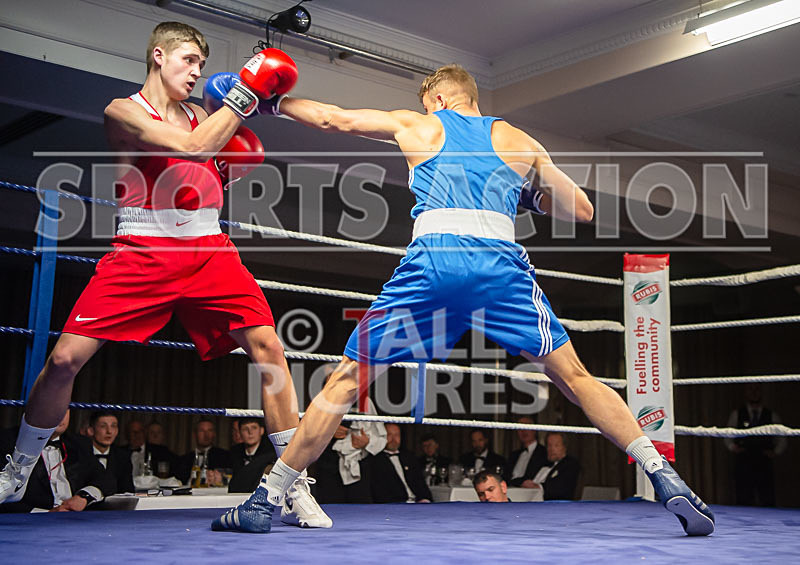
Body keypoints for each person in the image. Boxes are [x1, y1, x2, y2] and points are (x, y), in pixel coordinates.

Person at [212, 64, 715, 536]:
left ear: (437, 98)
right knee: (576, 377)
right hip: (500, 267)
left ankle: (265, 500)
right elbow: (581, 209)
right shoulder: (521, 140)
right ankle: (662, 472)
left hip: (434, 262)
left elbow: (332, 118)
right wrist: (529, 195)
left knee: (345, 381)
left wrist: (268, 102)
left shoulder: (421, 124)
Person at [0, 21, 330, 529]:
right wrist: (245, 93)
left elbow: (223, 162)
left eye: (202, 64)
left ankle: (291, 485)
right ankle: (19, 469)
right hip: (142, 248)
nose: (197, 72)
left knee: (269, 349)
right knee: (64, 360)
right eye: (188, 60)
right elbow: (192, 149)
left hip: (208, 249)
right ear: (158, 55)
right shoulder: (123, 110)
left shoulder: (205, 114)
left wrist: (235, 150)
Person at [0, 411, 115, 512]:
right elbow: (5, 497)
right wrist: (45, 513)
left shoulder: (79, 444)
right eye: (54, 407)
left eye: (65, 409)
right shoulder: (8, 441)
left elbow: (106, 479)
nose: (60, 415)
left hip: (76, 519)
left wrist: (84, 497)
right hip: (29, 522)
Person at [725, 383, 787, 506]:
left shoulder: (771, 415)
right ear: (746, 392)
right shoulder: (737, 414)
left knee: (767, 498)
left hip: (763, 462)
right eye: (751, 389)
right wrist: (732, 447)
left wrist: (775, 452)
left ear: (761, 392)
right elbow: (727, 434)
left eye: (757, 389)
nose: (754, 392)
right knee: (743, 498)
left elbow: (782, 437)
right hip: (744, 461)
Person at [369, 423, 431, 503]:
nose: (393, 439)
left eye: (397, 435)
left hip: (417, 504)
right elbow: (379, 492)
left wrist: (425, 500)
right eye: (389, 435)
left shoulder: (409, 458)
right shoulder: (375, 461)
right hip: (395, 505)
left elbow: (421, 483)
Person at [85, 411, 134, 494]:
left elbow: (127, 491)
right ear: (91, 430)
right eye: (103, 426)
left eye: (113, 426)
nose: (109, 431)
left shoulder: (123, 457)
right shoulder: (81, 455)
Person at [177, 418, 231, 486]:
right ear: (195, 434)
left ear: (214, 434)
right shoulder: (183, 460)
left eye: (210, 430)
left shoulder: (224, 456)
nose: (206, 435)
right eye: (201, 431)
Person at [227, 418, 275, 493]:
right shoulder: (234, 452)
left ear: (262, 430)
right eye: (245, 429)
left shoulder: (271, 454)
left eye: (254, 428)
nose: (250, 432)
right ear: (239, 433)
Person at [530, 432, 580, 501]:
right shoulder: (543, 464)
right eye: (549, 445)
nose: (551, 449)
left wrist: (539, 487)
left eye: (556, 445)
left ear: (564, 447)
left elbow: (560, 487)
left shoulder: (570, 464)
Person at [505, 416, 547, 487]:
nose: (523, 431)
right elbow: (506, 476)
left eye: (527, 427)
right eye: (520, 428)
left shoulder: (544, 453)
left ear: (534, 430)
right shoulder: (514, 455)